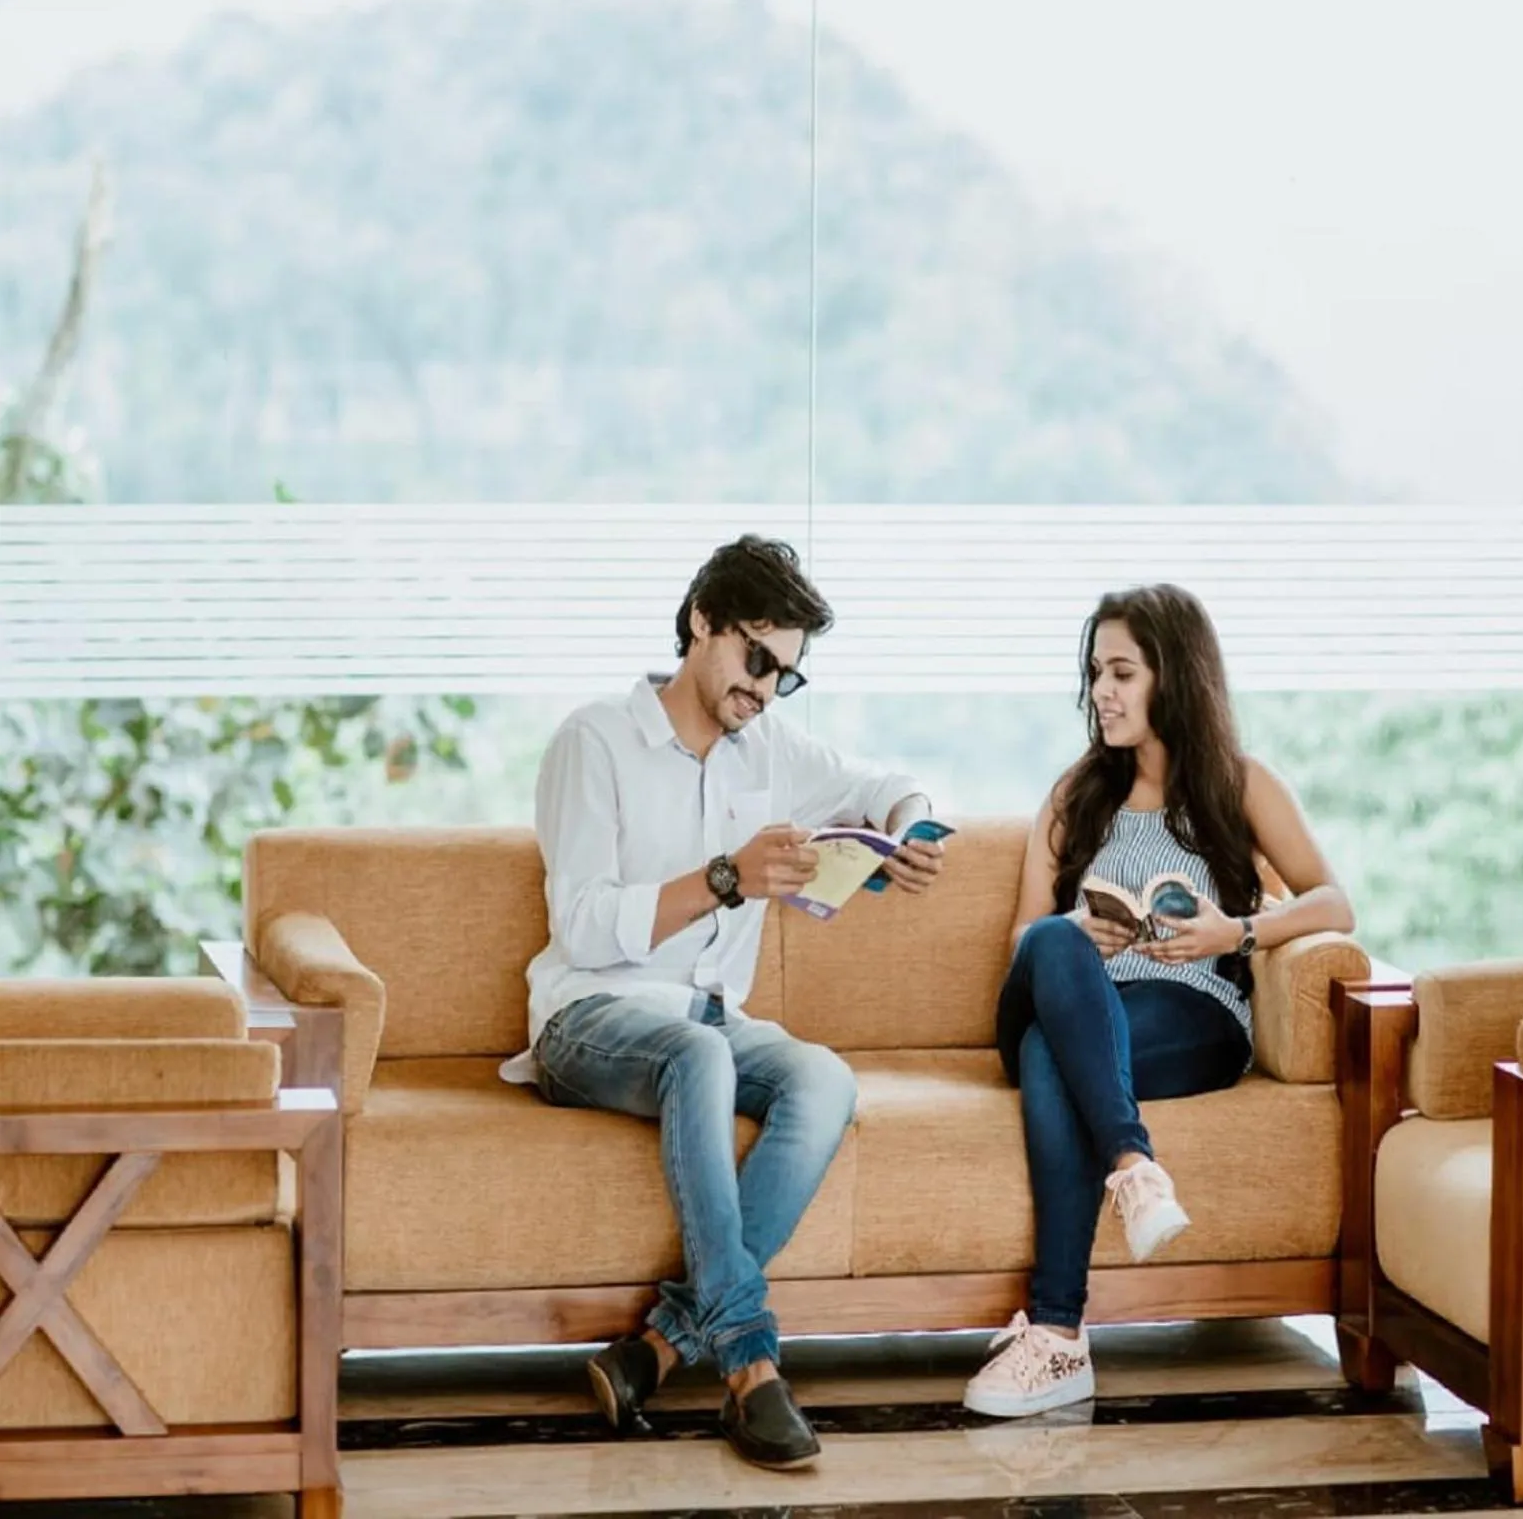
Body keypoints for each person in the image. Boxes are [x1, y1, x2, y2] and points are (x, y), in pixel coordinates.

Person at [502, 535, 946, 1469]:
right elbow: (582, 927)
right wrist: (726, 879)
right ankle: (749, 1364)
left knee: (822, 1078)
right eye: (757, 658)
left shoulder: (769, 748)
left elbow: (884, 782)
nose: (766, 689)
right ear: (702, 621)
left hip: (707, 1018)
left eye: (787, 674)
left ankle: (660, 1348)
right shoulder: (595, 741)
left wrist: (908, 827)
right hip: (589, 1017)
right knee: (697, 1056)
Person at [963, 584, 1355, 1418]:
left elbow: (1334, 904)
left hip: (1192, 1015)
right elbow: (1022, 945)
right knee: (1052, 946)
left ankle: (1060, 1339)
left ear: (1173, 676)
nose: (1101, 691)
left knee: (1049, 1058)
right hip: (1080, 1002)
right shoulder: (1076, 795)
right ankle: (1134, 1167)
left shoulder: (1242, 786)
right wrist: (1079, 931)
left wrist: (1236, 934)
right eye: (1096, 672)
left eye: (1122, 672)